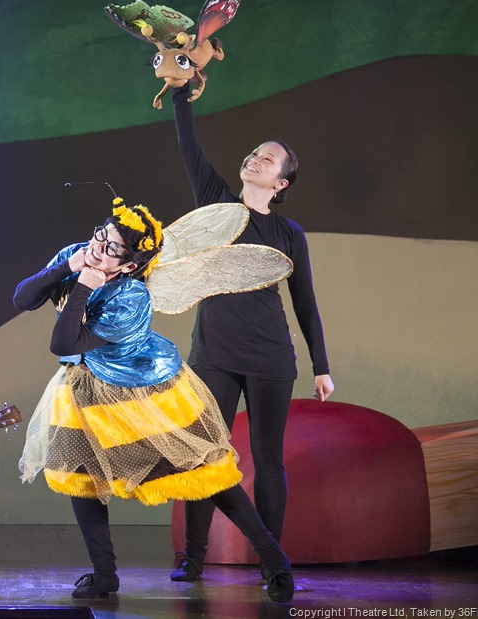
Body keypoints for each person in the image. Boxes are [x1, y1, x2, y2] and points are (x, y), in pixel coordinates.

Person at [15, 197, 294, 603]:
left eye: (112, 248)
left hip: (139, 390)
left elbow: (63, 342)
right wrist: (67, 267)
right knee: (80, 476)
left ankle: (274, 558)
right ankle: (105, 574)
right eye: (100, 235)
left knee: (206, 473)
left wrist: (84, 285)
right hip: (84, 386)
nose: (98, 247)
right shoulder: (79, 255)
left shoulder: (131, 296)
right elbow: (22, 299)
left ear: (130, 265)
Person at [169, 84, 334, 584]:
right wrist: (180, 95)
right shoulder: (216, 204)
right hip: (214, 354)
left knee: (268, 461)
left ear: (281, 182)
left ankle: (271, 562)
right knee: (205, 454)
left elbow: (305, 303)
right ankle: (193, 557)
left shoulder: (289, 234)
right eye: (255, 152)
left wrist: (321, 367)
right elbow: (190, 149)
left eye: (268, 158)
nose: (255, 158)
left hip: (270, 359)